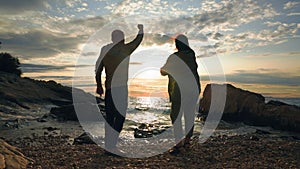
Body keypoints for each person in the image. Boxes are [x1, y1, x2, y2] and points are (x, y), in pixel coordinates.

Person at [95, 24, 144, 155]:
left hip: (110, 88)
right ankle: (112, 146)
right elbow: (137, 41)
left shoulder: (105, 49)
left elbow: (98, 68)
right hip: (121, 89)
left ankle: (108, 146)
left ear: (112, 39)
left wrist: (98, 85)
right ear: (121, 39)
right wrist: (140, 30)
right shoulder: (125, 48)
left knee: (110, 117)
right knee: (120, 117)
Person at [160, 34, 200, 154]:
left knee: (176, 117)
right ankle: (187, 142)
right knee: (189, 116)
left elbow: (163, 72)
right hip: (193, 90)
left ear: (177, 45)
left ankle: (179, 145)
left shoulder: (174, 57)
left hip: (179, 91)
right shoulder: (191, 55)